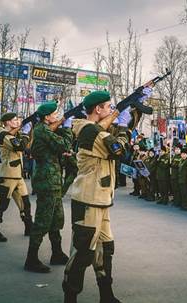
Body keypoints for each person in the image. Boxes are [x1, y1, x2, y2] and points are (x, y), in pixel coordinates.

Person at [63, 89, 151, 303]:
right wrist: (121, 123)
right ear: (97, 109)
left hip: (100, 200)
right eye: (109, 107)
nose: (112, 109)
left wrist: (133, 110)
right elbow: (120, 150)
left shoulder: (96, 129)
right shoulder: (89, 132)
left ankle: (106, 295)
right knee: (83, 252)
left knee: (105, 249)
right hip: (88, 201)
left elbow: (118, 132)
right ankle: (70, 296)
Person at [24, 102, 73, 273]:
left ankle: (57, 252)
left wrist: (62, 125)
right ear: (47, 117)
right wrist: (67, 127)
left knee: (56, 218)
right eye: (54, 113)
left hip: (52, 179)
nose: (56, 116)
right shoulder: (42, 130)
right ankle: (31, 259)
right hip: (47, 180)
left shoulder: (44, 129)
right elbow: (65, 145)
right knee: (43, 219)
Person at [0, 113, 33, 242]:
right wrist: (24, 132)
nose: (18, 121)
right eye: (14, 120)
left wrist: (30, 129)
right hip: (8, 175)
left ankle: (29, 227)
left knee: (25, 203)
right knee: (1, 204)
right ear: (7, 122)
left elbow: (27, 147)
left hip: (18, 175)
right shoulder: (3, 134)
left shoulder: (14, 134)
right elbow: (19, 146)